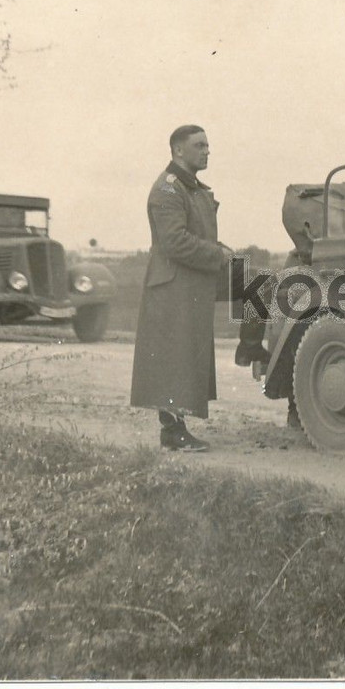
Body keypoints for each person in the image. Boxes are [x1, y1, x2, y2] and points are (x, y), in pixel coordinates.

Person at [131, 125, 233, 452]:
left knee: (256, 283)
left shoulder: (192, 189)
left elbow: (196, 234)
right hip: (173, 285)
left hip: (192, 282)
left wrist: (222, 251)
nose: (207, 151)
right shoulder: (168, 189)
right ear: (178, 150)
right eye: (199, 145)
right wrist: (217, 255)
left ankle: (251, 346)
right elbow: (174, 242)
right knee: (172, 360)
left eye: (207, 145)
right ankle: (172, 432)